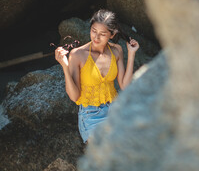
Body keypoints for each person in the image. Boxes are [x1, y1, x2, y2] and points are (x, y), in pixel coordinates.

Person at [54, 9, 139, 143]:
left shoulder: (117, 50)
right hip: (90, 115)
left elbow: (124, 85)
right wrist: (65, 66)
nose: (96, 37)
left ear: (112, 34)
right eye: (93, 31)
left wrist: (132, 53)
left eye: (102, 34)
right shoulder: (77, 54)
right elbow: (74, 96)